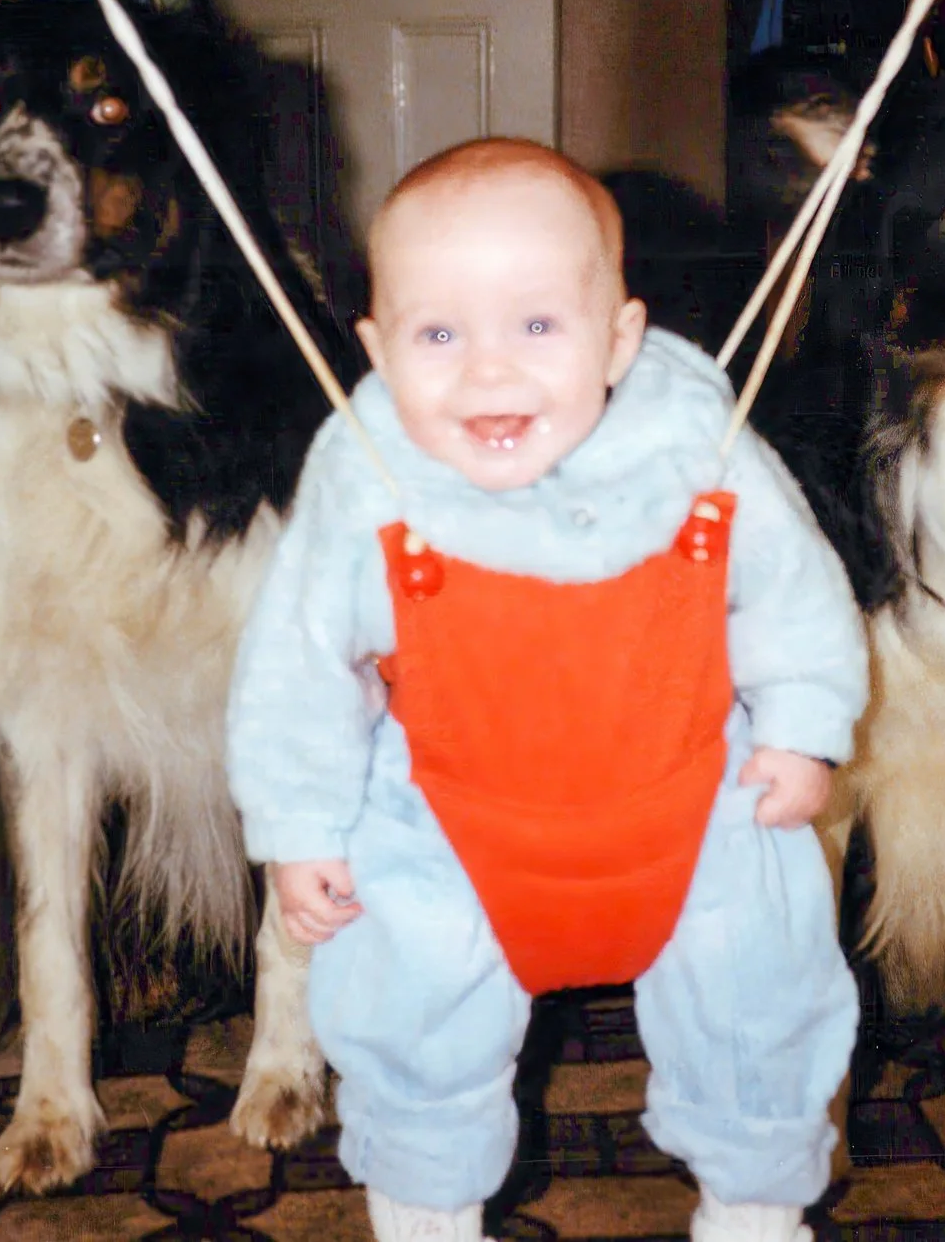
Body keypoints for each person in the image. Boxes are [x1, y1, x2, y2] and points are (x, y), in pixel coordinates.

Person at [226, 138, 867, 1242]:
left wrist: (805, 724)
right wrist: (297, 827)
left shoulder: (694, 441)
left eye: (536, 325)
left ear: (620, 334)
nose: (488, 372)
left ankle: (755, 1213)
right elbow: (296, 664)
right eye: (438, 333)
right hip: (446, 828)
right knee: (411, 1012)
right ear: (375, 348)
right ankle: (427, 1218)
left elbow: (793, 585)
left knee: (759, 992)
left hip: (695, 803)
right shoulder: (366, 473)